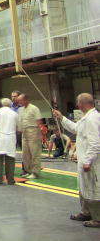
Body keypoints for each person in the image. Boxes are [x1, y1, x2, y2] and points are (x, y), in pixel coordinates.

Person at [52, 93, 100, 228]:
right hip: (84, 159)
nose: (77, 105)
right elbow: (75, 128)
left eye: (78, 103)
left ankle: (97, 218)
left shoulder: (92, 119)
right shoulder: (86, 118)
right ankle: (86, 212)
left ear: (83, 104)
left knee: (93, 189)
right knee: (84, 187)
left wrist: (87, 161)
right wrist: (61, 118)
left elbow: (96, 143)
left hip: (92, 162)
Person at [0, 98, 18, 185]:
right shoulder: (14, 114)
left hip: (0, 138)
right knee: (10, 160)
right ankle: (10, 180)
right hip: (10, 138)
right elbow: (17, 127)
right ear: (10, 105)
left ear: (2, 104)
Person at [17, 93, 43, 179]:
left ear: (26, 100)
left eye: (20, 100)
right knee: (25, 154)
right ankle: (28, 170)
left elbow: (39, 121)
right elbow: (20, 121)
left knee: (34, 153)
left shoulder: (34, 108)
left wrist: (42, 134)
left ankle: (35, 172)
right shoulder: (20, 110)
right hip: (24, 133)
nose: (19, 102)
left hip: (33, 131)